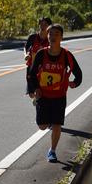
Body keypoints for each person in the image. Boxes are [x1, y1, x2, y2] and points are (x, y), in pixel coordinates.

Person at [28, 24, 82, 163]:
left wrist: (74, 83)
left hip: (59, 96)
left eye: (56, 34)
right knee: (43, 126)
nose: (53, 37)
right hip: (43, 95)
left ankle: (52, 151)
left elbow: (78, 74)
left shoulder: (66, 55)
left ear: (61, 37)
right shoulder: (41, 54)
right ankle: (41, 111)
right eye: (50, 34)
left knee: (57, 125)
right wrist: (35, 89)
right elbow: (32, 74)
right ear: (47, 36)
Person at [24, 17, 51, 97]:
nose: (43, 26)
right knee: (31, 94)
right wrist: (26, 55)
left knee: (41, 91)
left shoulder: (51, 39)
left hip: (45, 69)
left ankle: (40, 103)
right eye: (41, 24)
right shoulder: (33, 37)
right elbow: (26, 47)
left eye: (45, 24)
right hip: (32, 67)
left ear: (49, 26)